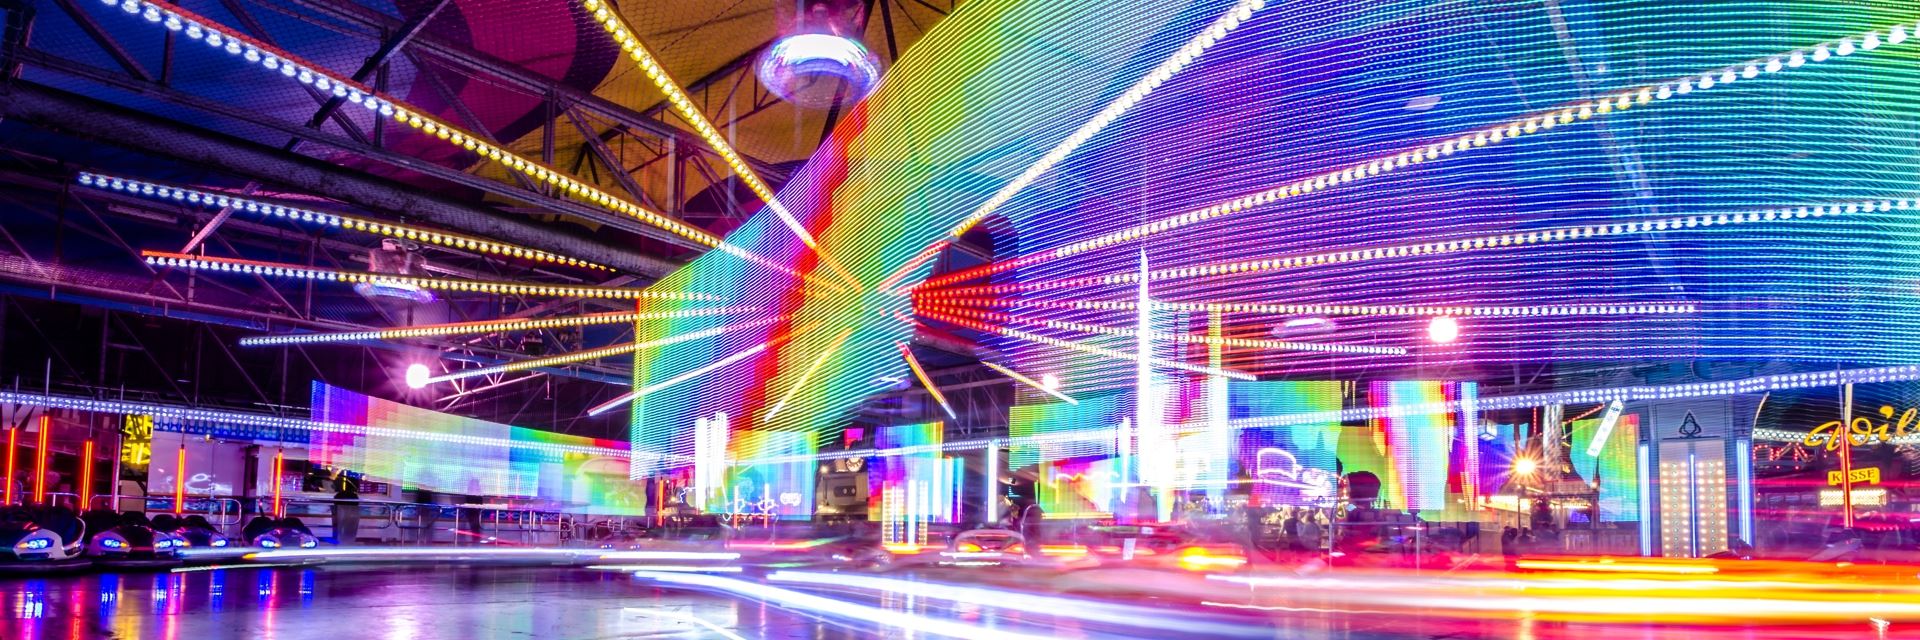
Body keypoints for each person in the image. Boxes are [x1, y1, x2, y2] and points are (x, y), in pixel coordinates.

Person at [331, 470, 361, 546]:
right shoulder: (354, 496)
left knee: (340, 526)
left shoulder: (339, 495)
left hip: (342, 511)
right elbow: (356, 503)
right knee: (350, 526)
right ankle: (348, 541)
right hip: (352, 512)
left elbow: (335, 502)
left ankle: (339, 540)